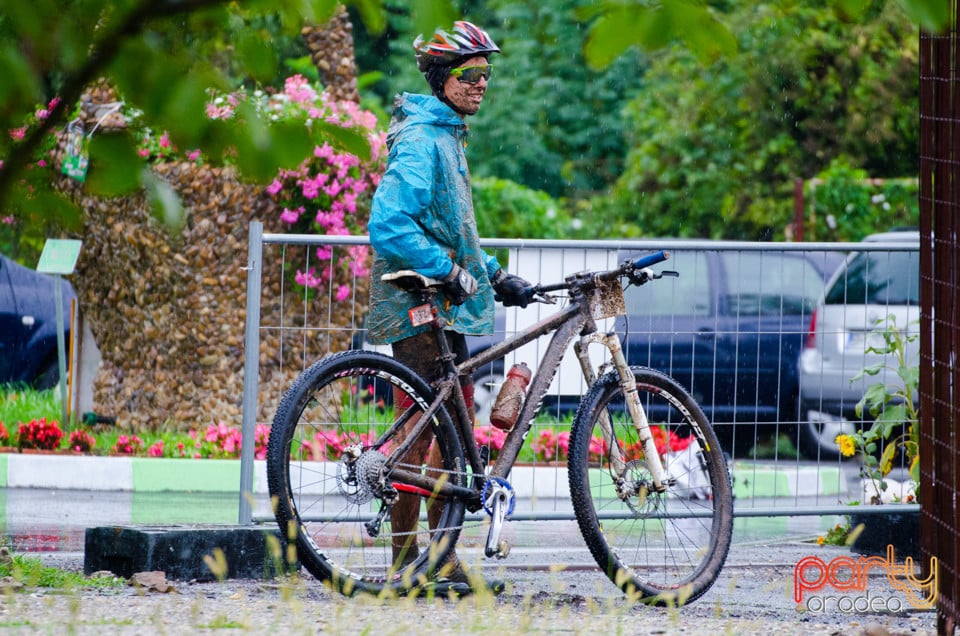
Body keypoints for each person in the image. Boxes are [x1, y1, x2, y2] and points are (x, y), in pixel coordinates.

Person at [366, 20, 531, 595]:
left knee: (450, 436)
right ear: (441, 79)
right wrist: (449, 272)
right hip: (416, 303)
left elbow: (450, 231)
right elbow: (388, 223)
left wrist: (492, 274)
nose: (482, 84)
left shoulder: (447, 135)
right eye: (470, 74)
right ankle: (404, 565)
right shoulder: (421, 139)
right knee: (419, 434)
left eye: (487, 74)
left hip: (446, 308)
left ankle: (437, 559)